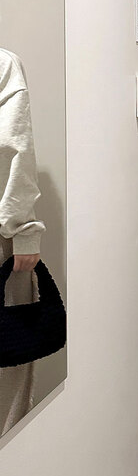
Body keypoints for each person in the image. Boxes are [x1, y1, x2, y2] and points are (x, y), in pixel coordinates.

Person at [0, 47, 47, 435]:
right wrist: (24, 231)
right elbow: (14, 149)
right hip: (2, 232)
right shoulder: (2, 63)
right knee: (9, 355)